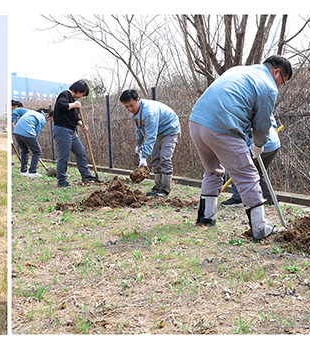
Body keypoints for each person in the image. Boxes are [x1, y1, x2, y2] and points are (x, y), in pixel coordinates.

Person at [188, 55, 292, 241]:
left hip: (196, 121)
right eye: (282, 82)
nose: (279, 87)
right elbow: (262, 125)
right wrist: (259, 145)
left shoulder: (239, 70)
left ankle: (206, 217)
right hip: (222, 125)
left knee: (212, 171)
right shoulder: (268, 86)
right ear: (277, 72)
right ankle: (259, 228)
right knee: (248, 175)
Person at [120, 89, 180, 197]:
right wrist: (138, 144)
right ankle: (157, 187)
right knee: (155, 159)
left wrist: (144, 157)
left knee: (165, 158)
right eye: (126, 106)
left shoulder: (149, 112)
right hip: (157, 132)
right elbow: (139, 130)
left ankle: (165, 189)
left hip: (170, 130)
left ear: (138, 100)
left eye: (131, 105)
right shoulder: (134, 113)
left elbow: (151, 136)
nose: (129, 109)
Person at [222, 115, 281, 207]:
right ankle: (272, 199)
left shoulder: (240, 113)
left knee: (238, 167)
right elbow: (271, 121)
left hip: (261, 144)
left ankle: (237, 199)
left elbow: (241, 138)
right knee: (259, 172)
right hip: (274, 143)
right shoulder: (259, 105)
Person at [52, 80, 99, 187]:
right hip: (61, 129)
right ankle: (62, 180)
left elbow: (74, 118)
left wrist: (81, 124)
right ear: (77, 90)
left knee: (81, 151)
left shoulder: (73, 101)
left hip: (71, 130)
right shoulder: (65, 94)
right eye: (82, 93)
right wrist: (74, 105)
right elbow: (60, 106)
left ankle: (85, 174)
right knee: (64, 155)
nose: (81, 96)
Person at [13, 108, 51, 177]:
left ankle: (23, 172)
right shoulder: (42, 118)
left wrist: (11, 118)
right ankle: (32, 172)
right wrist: (31, 143)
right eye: (50, 119)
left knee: (25, 151)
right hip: (27, 132)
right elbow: (36, 131)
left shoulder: (31, 112)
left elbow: (18, 110)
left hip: (16, 132)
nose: (48, 121)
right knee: (37, 151)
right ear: (47, 115)